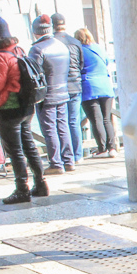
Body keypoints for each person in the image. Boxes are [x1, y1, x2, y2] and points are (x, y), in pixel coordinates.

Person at [0, 17, 49, 204]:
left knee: (15, 150)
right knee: (28, 145)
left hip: (8, 108)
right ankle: (40, 184)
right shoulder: (18, 50)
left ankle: (21, 189)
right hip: (25, 107)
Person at [27, 14, 74, 175]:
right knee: (63, 126)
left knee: (49, 129)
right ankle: (69, 160)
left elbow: (32, 74)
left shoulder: (37, 49)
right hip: (63, 91)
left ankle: (56, 163)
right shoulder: (61, 45)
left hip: (46, 95)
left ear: (35, 32)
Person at [73, 28, 117, 157]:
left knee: (96, 120)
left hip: (89, 87)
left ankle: (102, 149)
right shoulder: (99, 48)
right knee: (106, 118)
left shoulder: (79, 51)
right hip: (105, 85)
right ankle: (112, 148)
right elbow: (107, 62)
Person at [51, 14, 85, 164]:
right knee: (74, 121)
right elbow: (81, 64)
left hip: (60, 86)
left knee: (61, 123)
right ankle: (78, 155)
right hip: (76, 85)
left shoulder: (52, 43)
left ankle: (67, 157)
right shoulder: (75, 42)